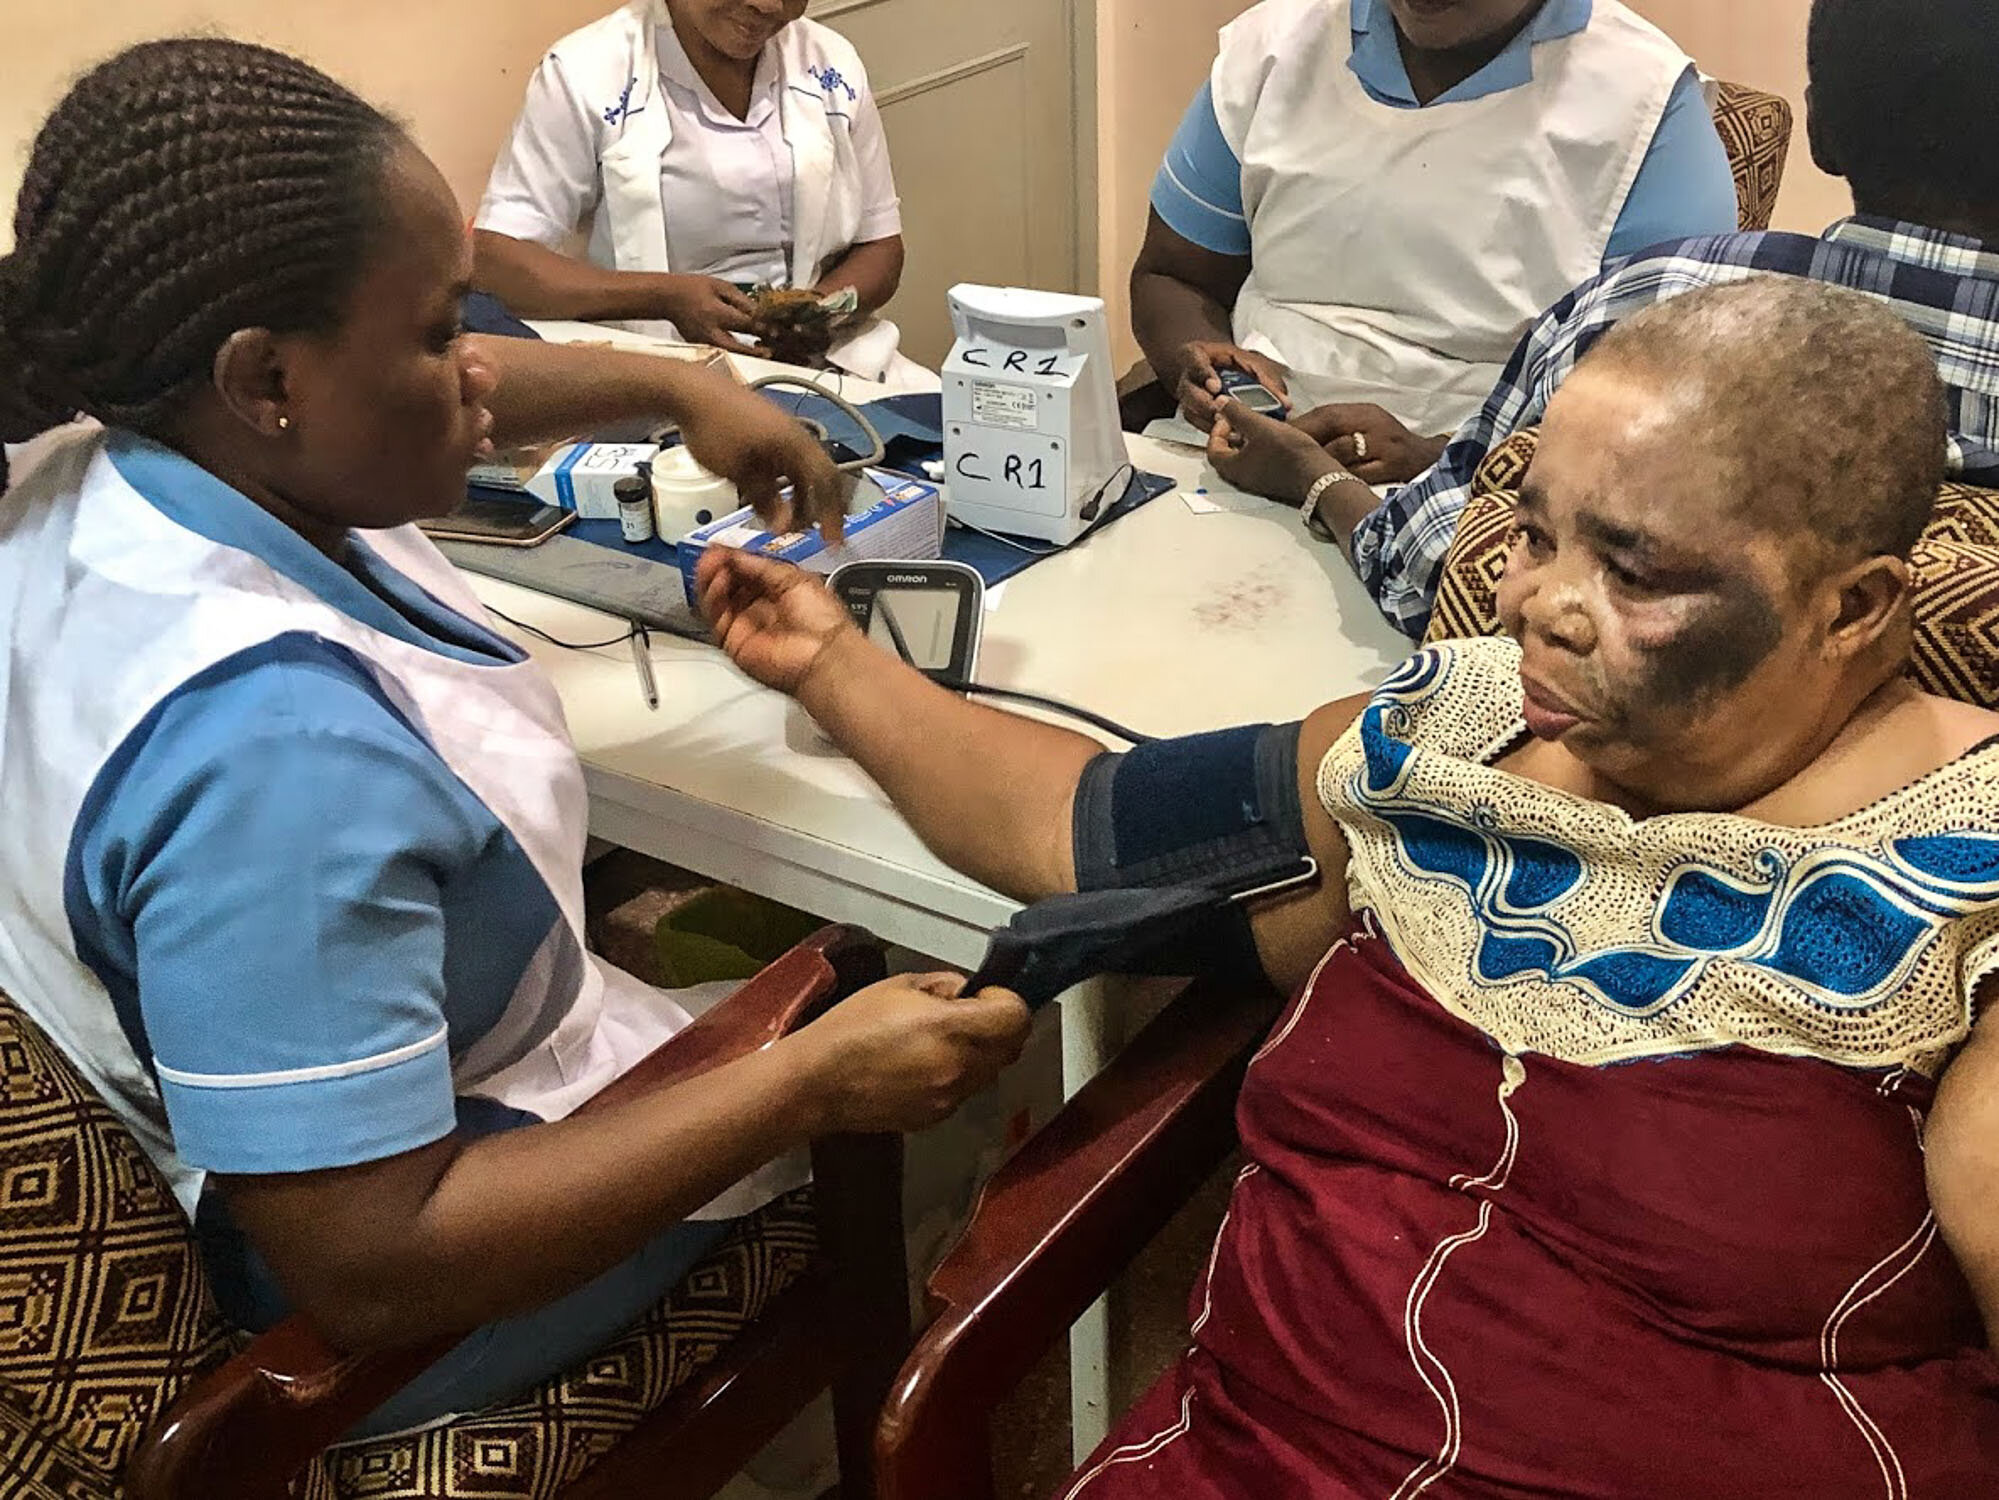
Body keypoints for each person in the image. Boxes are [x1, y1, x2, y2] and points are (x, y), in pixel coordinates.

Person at [698, 278, 1999, 1496]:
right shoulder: (1459, 733)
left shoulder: (1961, 882)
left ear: (1853, 607)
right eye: (1530, 530)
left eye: (1634, 570)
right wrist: (829, 664)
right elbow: (1075, 825)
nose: (1532, 600)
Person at [0, 39, 1028, 1437]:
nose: (477, 367)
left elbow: (481, 383)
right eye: (433, 333)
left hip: (328, 1096)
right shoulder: (272, 760)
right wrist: (804, 1082)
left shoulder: (86, 460)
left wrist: (677, 391)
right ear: (265, 381)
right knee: (930, 1104)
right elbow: (373, 1265)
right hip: (394, 1290)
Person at [1210, 0, 1999, 639]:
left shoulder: (1651, 299)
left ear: (1819, 127)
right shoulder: (1276, 42)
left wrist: (1312, 480)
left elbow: (1436, 564)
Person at [1134, 0, 1737, 447]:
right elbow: (1172, 276)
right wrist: (1200, 365)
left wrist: (1439, 457)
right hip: (1237, 453)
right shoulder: (1273, 48)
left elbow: (1666, 407)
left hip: (1491, 506)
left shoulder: (1647, 109)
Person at [473, 0, 913, 380]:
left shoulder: (829, 62)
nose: (770, 6)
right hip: (662, 376)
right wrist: (662, 297)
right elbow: (498, 261)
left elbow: (881, 246)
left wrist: (812, 311)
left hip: (826, 362)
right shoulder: (587, 74)